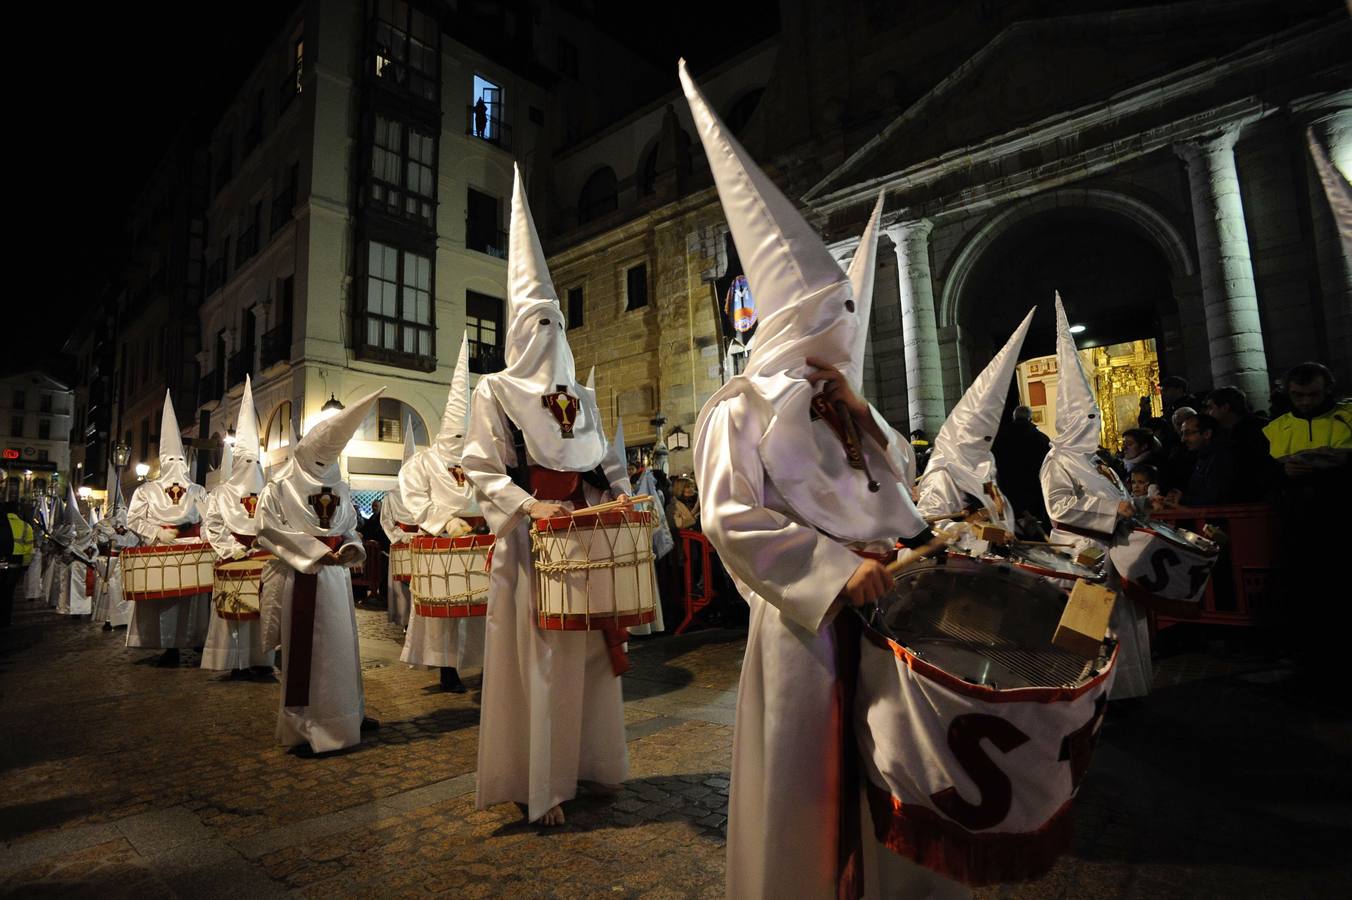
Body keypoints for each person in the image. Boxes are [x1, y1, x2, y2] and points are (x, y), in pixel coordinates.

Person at [680, 62, 957, 899]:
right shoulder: (740, 407)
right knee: (816, 780)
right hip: (818, 624)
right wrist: (838, 573)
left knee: (899, 771)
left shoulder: (849, 406)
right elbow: (730, 515)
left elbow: (891, 489)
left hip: (894, 608)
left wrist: (913, 529)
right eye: (829, 310)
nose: (844, 323)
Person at [463, 165, 631, 828]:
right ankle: (543, 784)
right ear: (515, 330)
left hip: (586, 546)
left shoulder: (582, 397)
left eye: (556, 322)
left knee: (587, 664)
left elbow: (605, 466)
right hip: (534, 551)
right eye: (537, 323)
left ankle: (588, 764)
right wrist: (531, 507)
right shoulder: (495, 393)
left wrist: (618, 500)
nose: (550, 334)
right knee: (543, 667)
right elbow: (482, 470)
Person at [257, 388, 384, 755]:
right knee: (308, 652)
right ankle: (307, 725)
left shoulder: (340, 486)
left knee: (344, 647)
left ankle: (349, 714)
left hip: (335, 579)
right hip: (301, 577)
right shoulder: (279, 487)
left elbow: (348, 527)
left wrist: (349, 548)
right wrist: (314, 552)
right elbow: (267, 529)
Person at [1041, 294, 1152, 701]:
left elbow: (1118, 496)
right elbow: (1061, 508)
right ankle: (1091, 697)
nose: (1093, 425)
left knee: (1122, 625)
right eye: (1086, 419)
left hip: (1115, 554)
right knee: (1090, 633)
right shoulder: (1059, 461)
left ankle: (1127, 691)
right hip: (1084, 557)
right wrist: (1110, 510)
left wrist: (1137, 505)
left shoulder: (1095, 459)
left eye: (1096, 418)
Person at [399, 335, 486, 694]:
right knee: (444, 614)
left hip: (479, 543)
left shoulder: (480, 462)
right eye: (454, 436)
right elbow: (415, 500)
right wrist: (446, 522)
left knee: (481, 607)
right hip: (441, 546)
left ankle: (484, 664)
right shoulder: (423, 463)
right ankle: (446, 670)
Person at [916, 309, 1035, 549]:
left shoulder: (984, 461)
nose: (982, 445)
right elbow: (932, 524)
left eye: (987, 440)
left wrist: (1008, 526)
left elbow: (995, 506)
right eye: (978, 439)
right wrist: (985, 535)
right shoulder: (943, 473)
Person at [125, 392, 212, 667]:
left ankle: (192, 642)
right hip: (160, 552)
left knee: (191, 605)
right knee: (164, 603)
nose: (175, 466)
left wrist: (203, 537)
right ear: (163, 460)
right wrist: (157, 533)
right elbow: (134, 519)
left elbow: (211, 519)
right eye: (170, 460)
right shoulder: (147, 490)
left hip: (192, 553)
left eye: (178, 460)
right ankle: (168, 647)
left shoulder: (198, 490)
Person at [201, 377, 275, 678]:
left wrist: (264, 546)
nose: (249, 466)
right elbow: (213, 525)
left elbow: (278, 524)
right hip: (234, 559)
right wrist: (234, 550)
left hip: (263, 561)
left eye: (253, 461)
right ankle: (233, 662)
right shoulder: (221, 493)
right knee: (233, 613)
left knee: (262, 615)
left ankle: (261, 661)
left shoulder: (271, 491)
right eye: (244, 460)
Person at [379, 418, 419, 630]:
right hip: (400, 542)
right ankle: (404, 620)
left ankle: (418, 620)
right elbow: (385, 519)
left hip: (420, 543)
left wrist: (421, 533)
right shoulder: (392, 495)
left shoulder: (424, 493)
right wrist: (398, 535)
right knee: (402, 585)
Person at [1204, 385, 1274, 498]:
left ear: (1225, 407)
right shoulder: (1224, 433)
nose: (1208, 412)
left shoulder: (1257, 431)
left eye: (1211, 407)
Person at [992, 404, 1051, 532]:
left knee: (1011, 533)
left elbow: (992, 466)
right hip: (1034, 493)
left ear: (1014, 418)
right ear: (1030, 419)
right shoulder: (1042, 439)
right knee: (1036, 533)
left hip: (1008, 492)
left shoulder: (998, 438)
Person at [1169, 413, 1239, 507]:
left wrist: (1182, 499)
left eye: (1188, 433)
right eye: (1182, 434)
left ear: (1207, 434)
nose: (1183, 439)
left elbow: (1212, 499)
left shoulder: (1221, 458)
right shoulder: (1201, 455)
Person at [1, 501, 34, 627]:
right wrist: (25, 565)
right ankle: (6, 619)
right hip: (16, 561)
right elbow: (28, 549)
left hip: (2, 558)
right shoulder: (26, 526)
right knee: (9, 592)